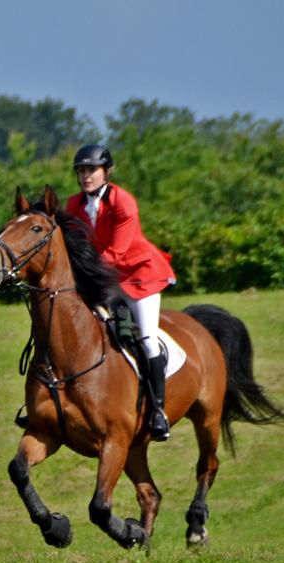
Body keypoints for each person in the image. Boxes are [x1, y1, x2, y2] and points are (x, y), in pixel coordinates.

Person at [66, 144, 176, 441]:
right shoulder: (73, 205)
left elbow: (116, 252)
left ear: (106, 172)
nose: (85, 176)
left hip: (139, 277)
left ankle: (158, 412)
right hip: (105, 279)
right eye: (81, 170)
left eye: (91, 170)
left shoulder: (122, 202)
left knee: (146, 339)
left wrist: (85, 275)